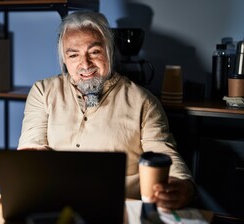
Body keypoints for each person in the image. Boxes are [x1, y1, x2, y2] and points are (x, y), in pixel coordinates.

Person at [18, 11, 195, 210]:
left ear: (109, 51)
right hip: (56, 204)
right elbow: (32, 143)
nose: (85, 64)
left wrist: (182, 186)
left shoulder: (143, 101)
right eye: (73, 54)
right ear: (65, 60)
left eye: (94, 52)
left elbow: (164, 153)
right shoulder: (43, 91)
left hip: (118, 209)